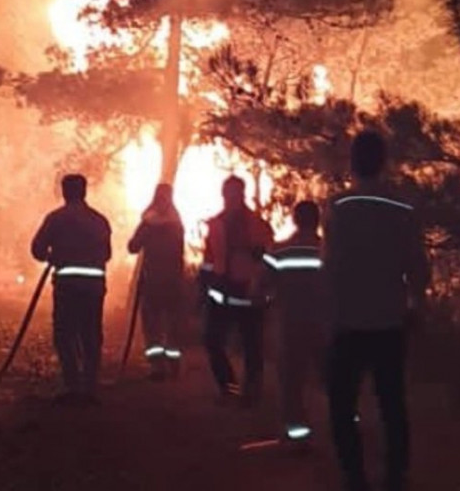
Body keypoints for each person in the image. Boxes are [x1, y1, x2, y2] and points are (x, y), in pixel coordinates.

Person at [325, 130, 430, 491]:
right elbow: (417, 267)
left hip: (348, 322)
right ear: (383, 162)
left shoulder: (338, 207)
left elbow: (331, 266)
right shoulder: (403, 209)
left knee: (341, 404)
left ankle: (355, 476)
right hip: (390, 320)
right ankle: (396, 476)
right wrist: (417, 304)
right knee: (392, 404)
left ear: (352, 162)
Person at [31, 173, 112, 405]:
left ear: (64, 192)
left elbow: (37, 249)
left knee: (65, 335)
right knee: (91, 335)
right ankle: (89, 388)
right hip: (94, 287)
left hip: (67, 286)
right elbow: (107, 254)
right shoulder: (99, 220)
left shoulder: (56, 219)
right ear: (84, 191)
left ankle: (72, 386)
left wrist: (53, 256)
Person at [199, 174, 274, 406]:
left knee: (251, 345)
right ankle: (230, 389)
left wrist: (262, 285)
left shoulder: (256, 225)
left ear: (241, 195)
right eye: (228, 193)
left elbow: (266, 258)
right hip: (222, 291)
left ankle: (250, 392)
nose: (231, 198)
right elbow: (210, 258)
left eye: (235, 193)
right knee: (213, 341)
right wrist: (204, 284)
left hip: (248, 292)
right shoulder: (217, 224)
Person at [264, 200, 326, 442]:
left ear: (294, 219)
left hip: (290, 324)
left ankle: (297, 435)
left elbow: (259, 286)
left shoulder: (279, 251)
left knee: (292, 382)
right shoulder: (329, 252)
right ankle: (347, 422)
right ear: (317, 220)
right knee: (333, 376)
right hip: (324, 324)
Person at [127, 183, 185, 380]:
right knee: (173, 323)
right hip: (174, 280)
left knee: (152, 324)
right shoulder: (177, 222)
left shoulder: (148, 222)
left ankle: (157, 367)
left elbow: (133, 247)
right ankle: (173, 363)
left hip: (153, 279)